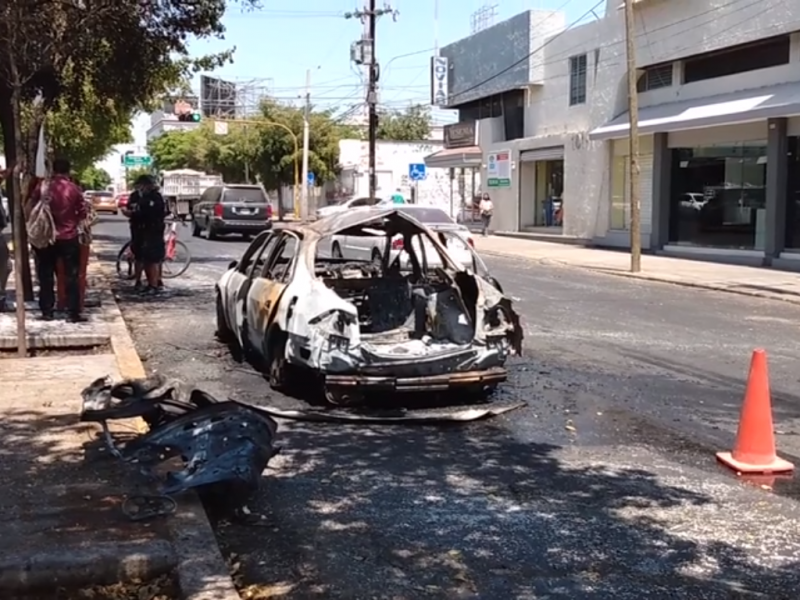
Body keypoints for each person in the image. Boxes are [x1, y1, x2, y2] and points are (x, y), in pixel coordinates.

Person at [30, 158, 87, 322]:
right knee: (71, 275)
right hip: (68, 237)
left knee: (45, 275)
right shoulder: (73, 189)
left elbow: (33, 205)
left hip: (46, 237)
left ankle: (47, 311)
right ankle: (72, 313)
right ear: (68, 171)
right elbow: (82, 213)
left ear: (53, 170)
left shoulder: (43, 187)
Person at [128, 174, 166, 294]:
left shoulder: (154, 197)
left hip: (153, 230)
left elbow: (149, 213)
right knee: (142, 257)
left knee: (153, 259)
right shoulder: (138, 196)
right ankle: (148, 283)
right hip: (141, 230)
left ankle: (154, 284)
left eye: (143, 185)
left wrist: (135, 213)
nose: (141, 188)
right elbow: (133, 208)